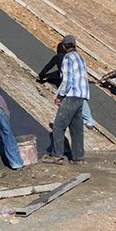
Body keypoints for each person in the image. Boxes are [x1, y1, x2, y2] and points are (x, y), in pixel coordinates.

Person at [43, 35, 88, 165]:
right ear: (75, 44)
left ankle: (57, 155)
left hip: (71, 96)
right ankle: (78, 157)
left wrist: (59, 96)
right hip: (81, 96)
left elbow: (67, 80)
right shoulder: (81, 58)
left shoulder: (68, 58)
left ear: (64, 46)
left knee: (58, 126)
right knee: (76, 128)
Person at [38, 40, 94, 128]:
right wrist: (48, 77)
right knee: (81, 101)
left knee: (63, 99)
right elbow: (58, 73)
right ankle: (88, 120)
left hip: (69, 83)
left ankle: (61, 121)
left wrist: (41, 76)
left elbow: (49, 67)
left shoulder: (61, 57)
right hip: (80, 84)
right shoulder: (76, 57)